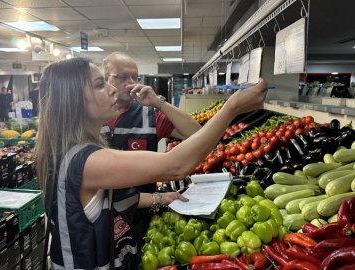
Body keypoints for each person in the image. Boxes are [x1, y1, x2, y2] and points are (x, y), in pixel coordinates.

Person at [36, 57, 268, 269]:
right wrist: (232, 107)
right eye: (99, 85)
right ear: (74, 100)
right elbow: (177, 165)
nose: (112, 89)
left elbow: (111, 198)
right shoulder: (86, 160)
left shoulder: (73, 152)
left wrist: (160, 198)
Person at [102, 52, 202, 245]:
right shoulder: (91, 115)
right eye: (123, 77)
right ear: (106, 79)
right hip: (98, 213)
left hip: (139, 212)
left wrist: (158, 103)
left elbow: (196, 133)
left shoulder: (149, 114)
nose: (130, 82)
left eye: (134, 77)